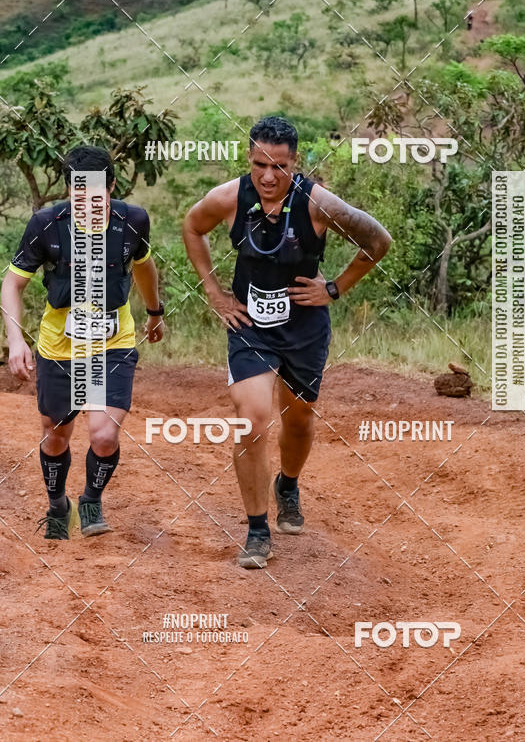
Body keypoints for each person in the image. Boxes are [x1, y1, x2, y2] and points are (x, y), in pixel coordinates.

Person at [183, 116, 391, 569]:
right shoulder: (229, 198)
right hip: (250, 326)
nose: (268, 176)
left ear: (295, 163)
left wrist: (334, 288)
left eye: (279, 166)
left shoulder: (317, 204)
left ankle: (288, 484)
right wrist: (214, 293)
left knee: (297, 420)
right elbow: (192, 227)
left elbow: (378, 241)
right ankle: (257, 530)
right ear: (249, 159)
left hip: (304, 329)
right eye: (259, 164)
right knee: (252, 420)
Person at [1, 146, 164, 540]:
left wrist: (154, 311)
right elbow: (12, 284)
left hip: (114, 342)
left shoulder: (133, 220)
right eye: (79, 196)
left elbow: (143, 266)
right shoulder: (46, 224)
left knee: (104, 436)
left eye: (96, 196)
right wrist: (15, 339)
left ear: (112, 188)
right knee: (56, 434)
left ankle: (91, 499)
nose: (88, 205)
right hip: (60, 347)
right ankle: (58, 503)